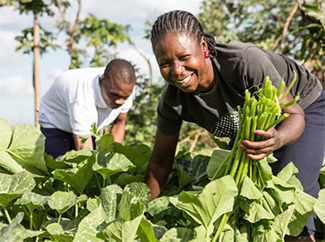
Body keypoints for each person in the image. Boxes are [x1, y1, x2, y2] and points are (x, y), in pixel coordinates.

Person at [144, 10, 325, 241]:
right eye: (165, 63)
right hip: (246, 130)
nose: (178, 70)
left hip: (301, 107)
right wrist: (143, 215)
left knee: (291, 211)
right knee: (240, 208)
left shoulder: (244, 62)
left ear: (204, 47)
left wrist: (278, 139)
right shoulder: (172, 101)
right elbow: (159, 164)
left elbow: (294, 114)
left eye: (184, 57)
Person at [38, 59, 136, 159]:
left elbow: (119, 123)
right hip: (55, 123)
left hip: (88, 125)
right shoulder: (81, 96)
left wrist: (112, 159)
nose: (120, 101)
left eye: (125, 97)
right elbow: (84, 148)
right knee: (59, 167)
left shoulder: (125, 88)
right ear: (101, 81)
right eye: (114, 95)